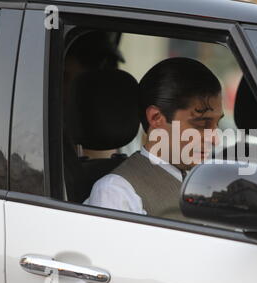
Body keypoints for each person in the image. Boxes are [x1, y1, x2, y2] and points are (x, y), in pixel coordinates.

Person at [84, 57, 224, 221]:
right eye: (201, 123)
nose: (215, 140)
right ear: (156, 118)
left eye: (217, 124)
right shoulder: (116, 193)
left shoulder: (206, 183)